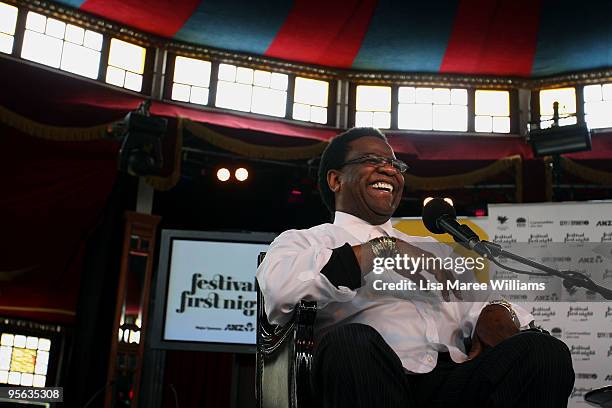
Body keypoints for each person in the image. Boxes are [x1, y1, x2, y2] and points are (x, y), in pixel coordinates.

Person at [256, 127, 574, 407]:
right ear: (336, 179)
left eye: (395, 164)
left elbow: (479, 302)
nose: (390, 170)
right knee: (351, 342)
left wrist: (495, 312)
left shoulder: (432, 252)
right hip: (370, 377)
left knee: (544, 352)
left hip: (451, 381)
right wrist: (382, 249)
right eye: (371, 160)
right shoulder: (304, 241)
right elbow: (281, 294)